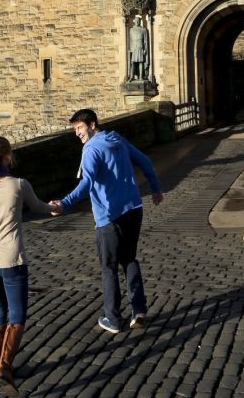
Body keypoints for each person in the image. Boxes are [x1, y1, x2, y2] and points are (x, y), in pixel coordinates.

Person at [50, 109, 163, 334]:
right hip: (134, 209)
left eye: (79, 128)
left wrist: (64, 203)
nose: (77, 133)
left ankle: (112, 317)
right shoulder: (117, 139)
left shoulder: (91, 148)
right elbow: (145, 161)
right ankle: (138, 309)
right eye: (74, 129)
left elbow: (87, 182)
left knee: (109, 267)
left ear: (92, 125)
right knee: (129, 258)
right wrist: (155, 188)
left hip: (109, 216)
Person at [0, 135, 52, 396]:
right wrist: (58, 207)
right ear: (7, 156)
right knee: (16, 313)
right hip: (12, 260)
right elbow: (39, 207)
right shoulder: (19, 185)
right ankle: (5, 365)